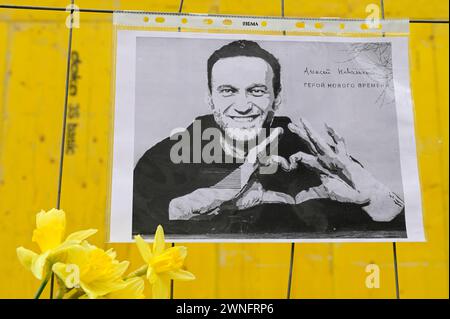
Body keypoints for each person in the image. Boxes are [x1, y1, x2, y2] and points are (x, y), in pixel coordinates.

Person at [133, 40, 405, 237]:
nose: (242, 105)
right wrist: (217, 194)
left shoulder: (317, 156)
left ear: (277, 98)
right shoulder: (164, 159)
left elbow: (395, 235)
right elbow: (133, 230)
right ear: (210, 98)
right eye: (228, 91)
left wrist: (373, 196)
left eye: (256, 91)